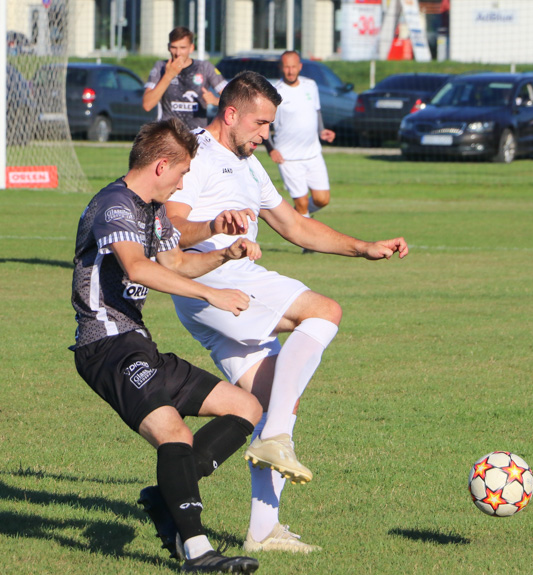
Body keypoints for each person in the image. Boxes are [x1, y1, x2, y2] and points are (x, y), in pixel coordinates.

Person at [164, 71, 409, 553]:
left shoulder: (249, 162)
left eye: (270, 126)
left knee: (275, 398)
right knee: (324, 311)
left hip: (224, 291)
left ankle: (261, 529)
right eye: (259, 123)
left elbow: (295, 226)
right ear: (230, 114)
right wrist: (216, 226)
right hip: (214, 280)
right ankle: (275, 437)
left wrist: (363, 248)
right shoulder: (194, 153)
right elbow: (171, 226)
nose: (265, 134)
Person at [71, 118, 264, 573]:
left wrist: (223, 254)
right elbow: (138, 269)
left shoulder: (150, 209)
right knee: (173, 433)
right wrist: (213, 294)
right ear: (161, 166)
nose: (181, 185)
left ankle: (165, 496)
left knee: (245, 408)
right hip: (106, 347)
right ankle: (197, 553)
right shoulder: (114, 206)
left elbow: (173, 263)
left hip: (137, 343)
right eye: (181, 175)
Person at [264, 51, 335, 220]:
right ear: (281, 67)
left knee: (322, 199)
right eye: (286, 67)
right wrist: (270, 149)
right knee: (302, 202)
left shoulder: (310, 85)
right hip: (288, 157)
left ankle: (297, 219)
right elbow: (264, 122)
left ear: (300, 67)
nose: (290, 71)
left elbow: (316, 111)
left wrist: (322, 130)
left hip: (313, 154)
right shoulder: (275, 91)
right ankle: (306, 242)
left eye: (293, 67)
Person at [143, 27, 228, 130]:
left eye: (182, 48)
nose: (178, 53)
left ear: (191, 48)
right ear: (168, 47)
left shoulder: (204, 68)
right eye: (174, 47)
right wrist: (168, 75)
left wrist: (215, 101)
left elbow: (234, 100)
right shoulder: (161, 67)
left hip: (196, 138)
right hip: (168, 136)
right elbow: (147, 105)